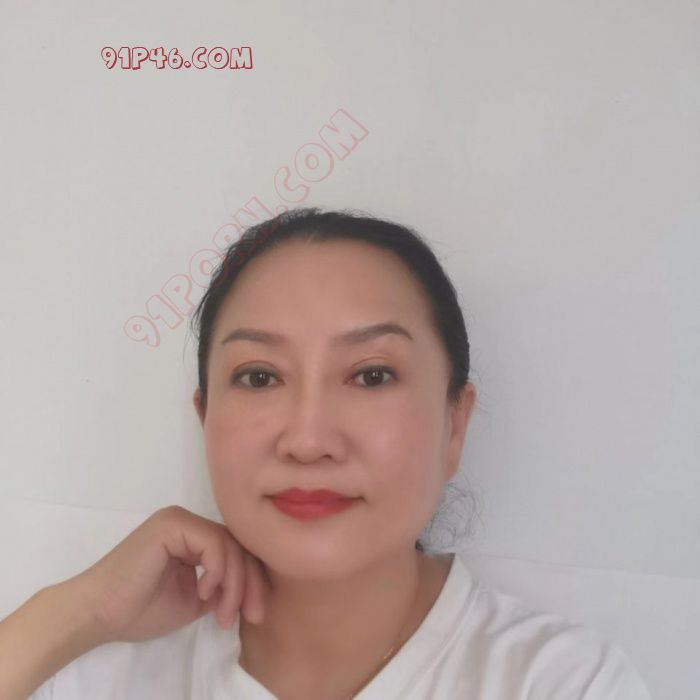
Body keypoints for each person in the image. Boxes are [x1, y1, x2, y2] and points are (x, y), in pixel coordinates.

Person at [1, 207, 652, 699]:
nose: (308, 440)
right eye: (259, 376)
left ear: (454, 424)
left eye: (371, 375)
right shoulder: (98, 673)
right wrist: (75, 612)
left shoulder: (559, 682)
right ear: (205, 420)